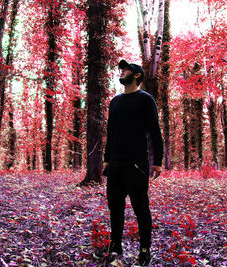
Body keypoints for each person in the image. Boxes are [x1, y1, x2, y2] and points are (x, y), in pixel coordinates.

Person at [93, 59, 163, 266]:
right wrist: (106, 159)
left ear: (137, 75)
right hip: (115, 164)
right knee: (115, 207)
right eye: (121, 70)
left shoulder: (145, 100)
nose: (122, 72)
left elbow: (155, 132)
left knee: (141, 208)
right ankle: (115, 245)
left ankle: (144, 250)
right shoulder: (115, 102)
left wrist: (157, 161)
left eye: (126, 70)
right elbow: (111, 132)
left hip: (136, 165)